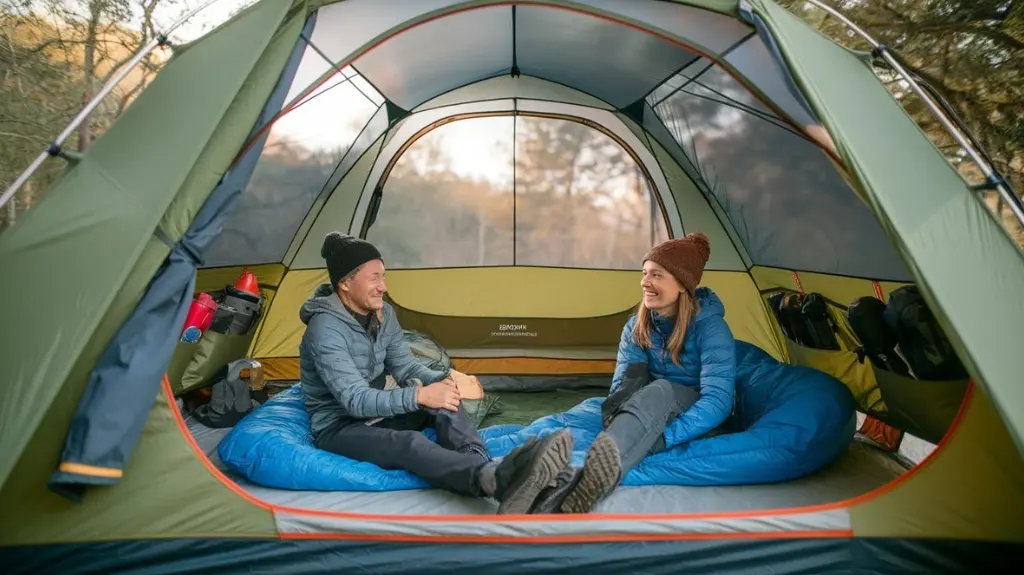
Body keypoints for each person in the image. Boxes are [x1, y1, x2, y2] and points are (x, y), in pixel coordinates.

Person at [299, 232, 573, 514]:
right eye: (374, 278)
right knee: (409, 443)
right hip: (341, 427)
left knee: (445, 400)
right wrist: (420, 395)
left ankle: (484, 464)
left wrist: (444, 380)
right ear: (345, 283)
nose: (383, 286)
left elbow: (404, 366)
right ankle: (493, 480)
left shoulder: (383, 313)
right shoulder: (324, 330)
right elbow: (355, 401)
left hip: (379, 412)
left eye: (384, 276)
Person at [529, 232, 736, 514]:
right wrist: (614, 417)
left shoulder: (711, 329)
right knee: (572, 417)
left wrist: (663, 437)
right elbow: (624, 386)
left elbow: (718, 402)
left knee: (662, 389)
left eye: (656, 275)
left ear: (682, 283)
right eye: (644, 273)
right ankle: (491, 455)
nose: (645, 282)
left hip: (691, 412)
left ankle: (591, 478)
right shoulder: (637, 326)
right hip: (643, 409)